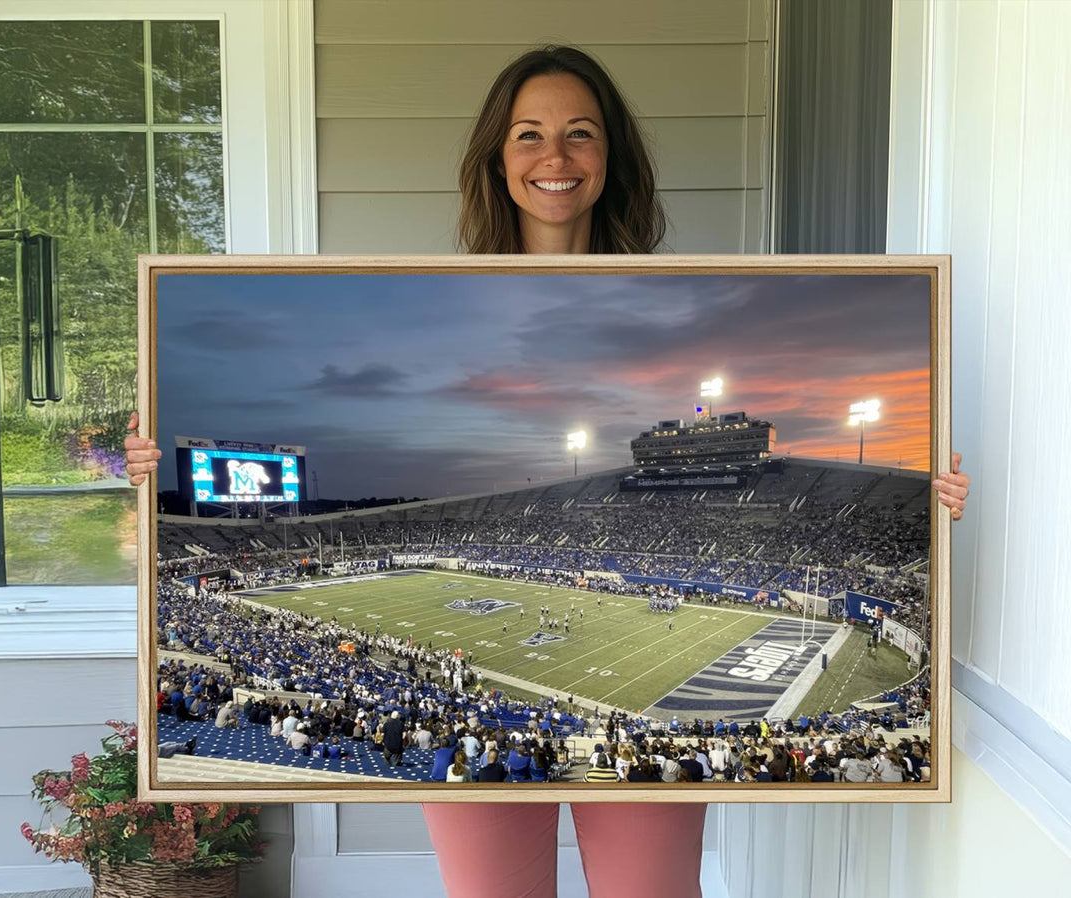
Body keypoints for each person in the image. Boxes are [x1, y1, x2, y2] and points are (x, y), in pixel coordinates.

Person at [125, 42, 972, 898]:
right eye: (528, 134)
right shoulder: (444, 304)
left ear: (612, 157)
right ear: (497, 158)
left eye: (580, 133)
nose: (554, 157)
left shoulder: (669, 302)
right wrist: (147, 460)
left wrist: (927, 505)